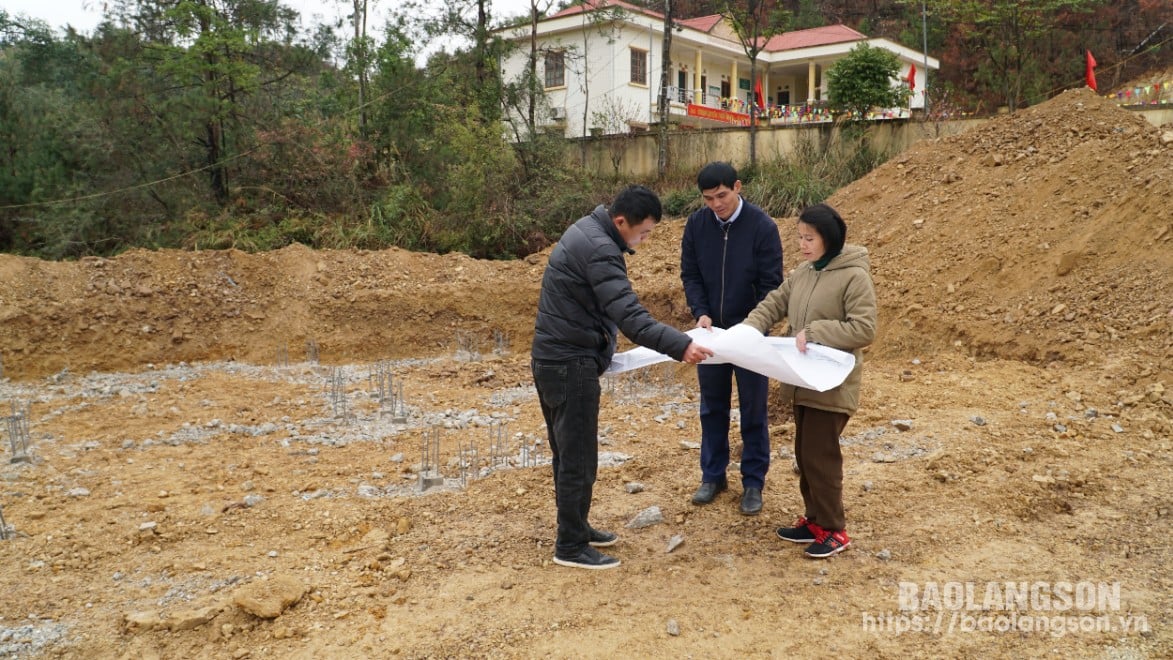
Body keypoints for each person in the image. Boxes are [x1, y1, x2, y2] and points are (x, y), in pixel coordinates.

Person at [532, 185, 714, 570]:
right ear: (620, 222)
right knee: (578, 458)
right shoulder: (600, 249)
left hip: (555, 359)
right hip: (568, 364)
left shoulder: (588, 230)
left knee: (568, 453)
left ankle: (576, 527)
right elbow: (630, 316)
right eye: (643, 233)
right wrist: (680, 345)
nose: (644, 241)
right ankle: (570, 546)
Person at [742, 203, 876, 558]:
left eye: (809, 238)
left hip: (833, 384)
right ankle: (815, 521)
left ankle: (834, 530)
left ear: (828, 240)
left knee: (821, 458)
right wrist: (747, 331)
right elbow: (774, 303)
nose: (802, 244)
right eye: (800, 237)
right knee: (805, 453)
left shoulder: (853, 276)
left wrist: (816, 331)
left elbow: (864, 328)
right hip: (803, 382)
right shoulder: (804, 272)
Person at [681, 162, 783, 515]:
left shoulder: (762, 227)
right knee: (712, 407)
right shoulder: (696, 225)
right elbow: (690, 274)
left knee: (753, 408)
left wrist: (752, 326)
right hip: (711, 334)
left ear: (737, 187)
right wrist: (700, 311)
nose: (716, 205)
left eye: (721, 196)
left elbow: (772, 285)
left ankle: (753, 482)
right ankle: (713, 475)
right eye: (708, 199)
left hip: (751, 335)